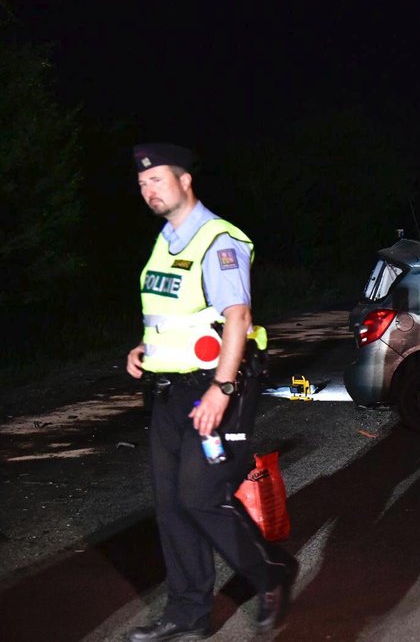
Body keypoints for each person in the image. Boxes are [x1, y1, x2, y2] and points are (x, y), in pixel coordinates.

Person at [125, 143, 297, 641]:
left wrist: (222, 388)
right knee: (172, 504)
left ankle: (271, 574)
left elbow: (236, 317)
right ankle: (187, 615)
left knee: (199, 493)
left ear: (184, 181)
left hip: (215, 385)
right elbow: (174, 313)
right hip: (166, 387)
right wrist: (144, 348)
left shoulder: (219, 240)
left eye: (156, 180)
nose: (147, 190)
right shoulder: (165, 240)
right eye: (141, 184)